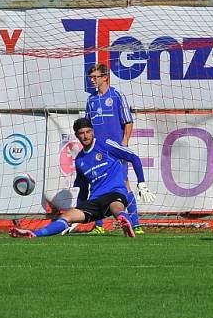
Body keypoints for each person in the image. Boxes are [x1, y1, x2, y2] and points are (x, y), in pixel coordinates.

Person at [9, 118, 155, 239]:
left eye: (88, 132)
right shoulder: (80, 160)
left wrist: (141, 183)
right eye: (82, 133)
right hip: (95, 200)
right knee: (67, 216)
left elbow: (133, 157)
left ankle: (124, 221)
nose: (85, 136)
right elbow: (84, 189)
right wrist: (79, 210)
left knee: (116, 208)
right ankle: (33, 234)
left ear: (92, 131)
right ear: (77, 136)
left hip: (115, 193)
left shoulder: (105, 145)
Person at [80, 64, 141, 235]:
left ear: (105, 77)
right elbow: (87, 125)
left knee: (124, 184)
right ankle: (98, 225)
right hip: (97, 152)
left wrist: (124, 144)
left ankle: (136, 224)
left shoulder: (116, 95)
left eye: (95, 77)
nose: (92, 80)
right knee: (97, 185)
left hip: (115, 150)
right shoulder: (90, 100)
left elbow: (128, 121)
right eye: (91, 77)